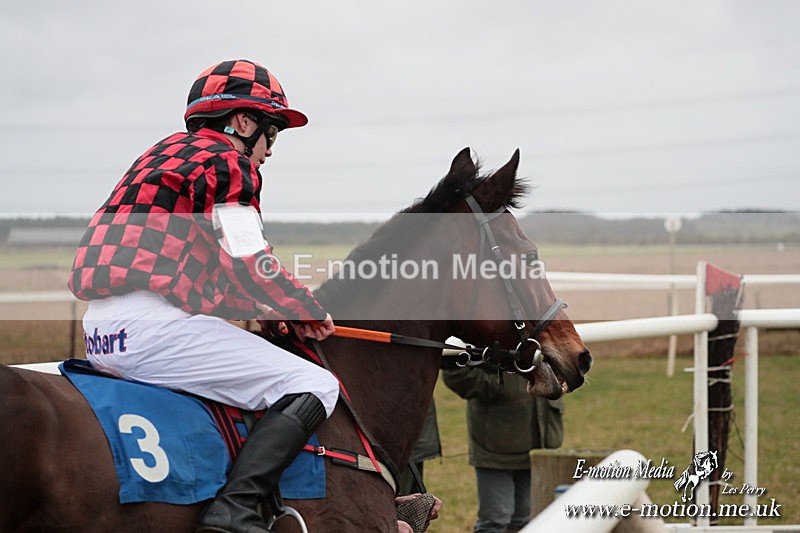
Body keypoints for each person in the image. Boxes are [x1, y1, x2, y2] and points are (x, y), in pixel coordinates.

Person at [68, 59, 340, 533]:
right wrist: (304, 310)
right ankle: (234, 510)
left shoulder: (162, 153)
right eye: (271, 133)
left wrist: (260, 310)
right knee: (316, 384)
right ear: (244, 122)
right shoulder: (228, 161)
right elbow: (249, 257)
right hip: (153, 331)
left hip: (101, 334)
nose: (269, 151)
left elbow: (199, 270)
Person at [442, 362, 564, 533]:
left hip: (539, 447)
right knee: (495, 521)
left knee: (528, 521)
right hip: (495, 446)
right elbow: (454, 372)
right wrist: (499, 385)